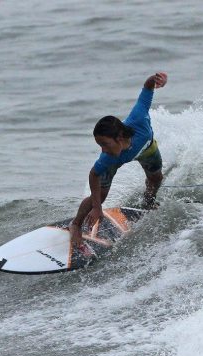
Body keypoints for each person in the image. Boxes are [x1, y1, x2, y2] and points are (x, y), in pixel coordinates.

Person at [69, 72, 168, 247]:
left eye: (105, 144)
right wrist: (97, 207)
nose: (102, 149)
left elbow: (147, 88)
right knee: (99, 195)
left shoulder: (139, 118)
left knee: (156, 179)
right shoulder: (108, 158)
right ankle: (76, 224)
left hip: (147, 150)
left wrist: (156, 79)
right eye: (99, 144)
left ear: (120, 137)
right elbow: (93, 175)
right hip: (118, 162)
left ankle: (148, 202)